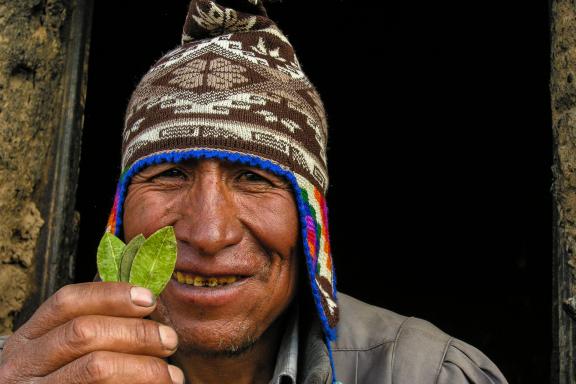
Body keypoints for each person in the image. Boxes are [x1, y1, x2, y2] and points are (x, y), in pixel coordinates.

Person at [0, 0, 510, 383]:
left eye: (254, 178)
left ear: (311, 225)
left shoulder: (426, 375)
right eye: (170, 173)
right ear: (119, 215)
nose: (209, 232)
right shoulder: (28, 369)